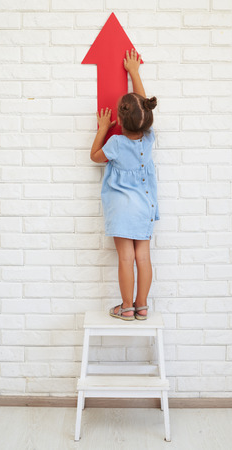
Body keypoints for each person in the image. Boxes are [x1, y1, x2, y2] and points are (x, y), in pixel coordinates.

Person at [90, 49, 159, 321]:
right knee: (143, 257)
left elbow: (95, 157)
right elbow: (143, 105)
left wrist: (103, 128)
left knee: (124, 259)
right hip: (144, 205)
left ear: (119, 119)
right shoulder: (148, 140)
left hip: (121, 208)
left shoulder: (116, 143)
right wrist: (134, 72)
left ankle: (126, 307)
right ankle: (142, 306)